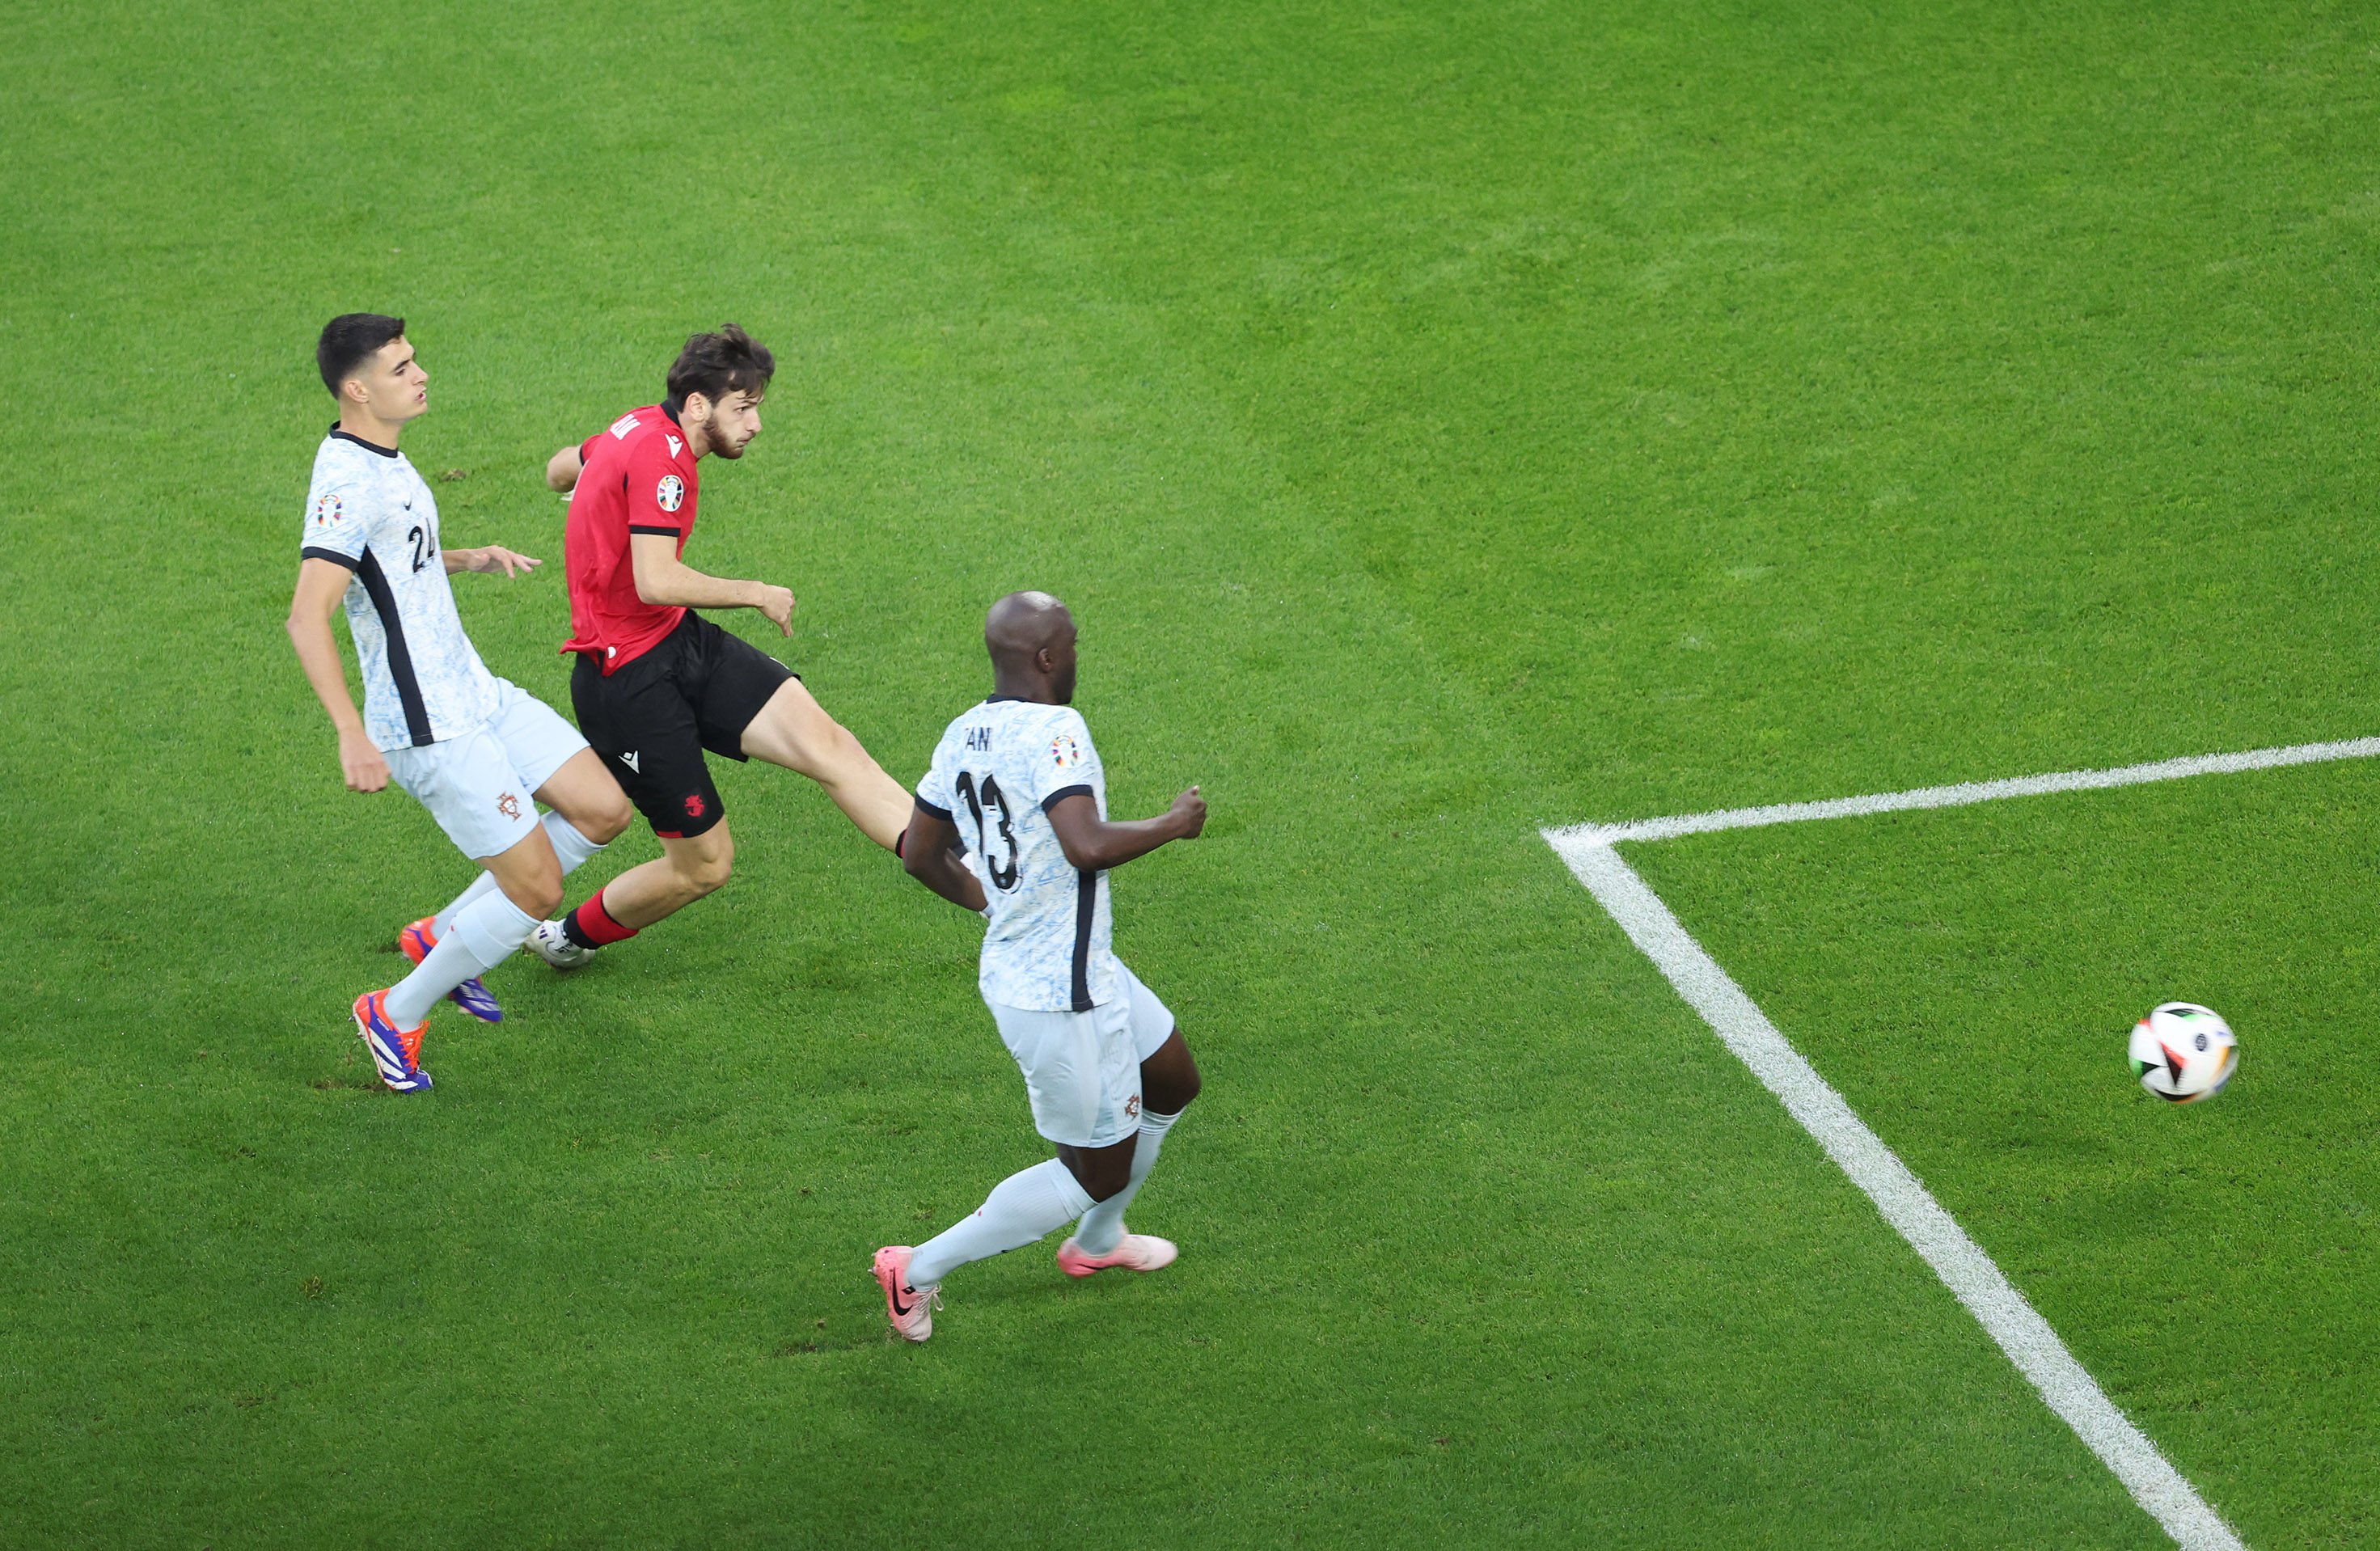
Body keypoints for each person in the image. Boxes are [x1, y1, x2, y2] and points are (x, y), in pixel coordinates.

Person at [286, 315, 632, 1092]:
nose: (421, 375)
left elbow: (389, 556)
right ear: (357, 389)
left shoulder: (384, 456)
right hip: (427, 726)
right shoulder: (345, 485)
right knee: (538, 890)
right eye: (403, 367)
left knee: (603, 809)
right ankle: (396, 1011)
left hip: (475, 691)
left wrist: (465, 558)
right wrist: (351, 734)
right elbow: (308, 615)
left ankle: (443, 934)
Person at [523, 324, 912, 969]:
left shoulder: (638, 427)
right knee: (704, 867)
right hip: (627, 686)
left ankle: (951, 858)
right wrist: (756, 590)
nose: (755, 424)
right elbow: (655, 580)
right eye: (744, 407)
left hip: (677, 640)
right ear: (698, 406)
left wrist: (582, 483)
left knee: (830, 745)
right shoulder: (660, 457)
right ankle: (567, 937)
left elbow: (562, 465)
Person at [874, 591, 1207, 1342]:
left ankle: (1097, 1242)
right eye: (1075, 644)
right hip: (1060, 999)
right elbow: (1085, 844)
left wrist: (994, 905)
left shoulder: (964, 731)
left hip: (1077, 966)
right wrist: (1171, 824)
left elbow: (920, 854)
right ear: (1050, 658)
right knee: (1093, 1171)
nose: (1078, 656)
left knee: (1174, 1080)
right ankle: (915, 1268)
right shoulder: (1059, 729)